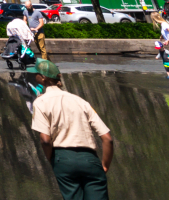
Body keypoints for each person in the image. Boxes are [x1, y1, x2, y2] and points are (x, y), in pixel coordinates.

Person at [27, 59, 112, 200]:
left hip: (63, 159)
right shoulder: (80, 101)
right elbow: (107, 138)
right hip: (90, 160)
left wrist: (53, 161)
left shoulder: (41, 102)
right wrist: (104, 166)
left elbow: (45, 140)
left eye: (36, 73)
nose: (34, 75)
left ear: (42, 78)